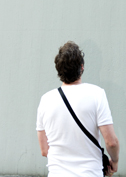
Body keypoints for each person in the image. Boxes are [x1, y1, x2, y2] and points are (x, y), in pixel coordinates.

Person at [36, 41, 119, 177]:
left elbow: (44, 150)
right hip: (90, 173)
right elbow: (111, 142)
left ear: (59, 70)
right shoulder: (97, 94)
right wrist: (114, 161)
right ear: (82, 67)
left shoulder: (45, 100)